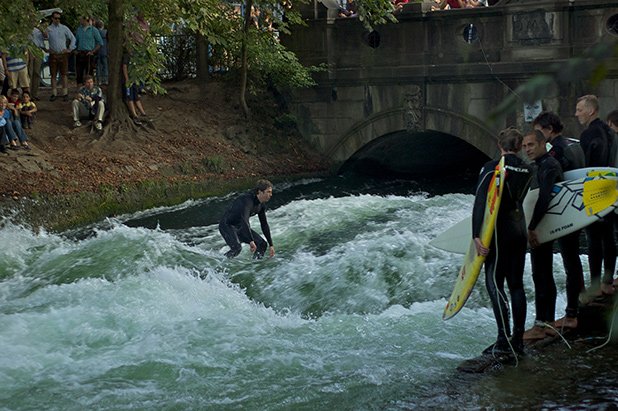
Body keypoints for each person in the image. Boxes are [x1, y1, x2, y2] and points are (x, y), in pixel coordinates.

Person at [473, 128, 532, 355]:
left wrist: (475, 235)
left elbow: (480, 201)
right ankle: (518, 338)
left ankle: (503, 337)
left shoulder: (492, 168)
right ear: (519, 147)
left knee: (494, 281)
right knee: (516, 284)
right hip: (519, 228)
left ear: (500, 146)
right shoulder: (528, 169)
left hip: (498, 231)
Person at [532, 112, 585, 330]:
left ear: (549, 129)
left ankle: (558, 317)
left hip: (559, 213)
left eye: (539, 132)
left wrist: (532, 224)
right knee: (572, 261)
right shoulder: (574, 144)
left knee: (557, 265)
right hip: (576, 209)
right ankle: (574, 311)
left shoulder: (556, 152)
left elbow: (551, 185)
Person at [521, 130, 564, 340]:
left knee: (541, 274)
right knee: (543, 273)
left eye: (531, 145)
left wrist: (531, 227)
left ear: (542, 143)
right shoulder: (538, 165)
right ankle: (548, 321)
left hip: (543, 227)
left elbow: (545, 198)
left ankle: (541, 325)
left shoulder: (549, 165)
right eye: (524, 146)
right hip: (542, 225)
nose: (527, 149)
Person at [576, 95, 616, 297]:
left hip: (594, 189)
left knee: (593, 239)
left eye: (579, 110)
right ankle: (607, 282)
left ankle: (594, 284)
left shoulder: (589, 134)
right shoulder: (609, 131)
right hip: (610, 186)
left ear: (591, 111)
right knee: (608, 236)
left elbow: (587, 166)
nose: (576, 114)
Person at [219, 179, 276, 259]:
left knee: (262, 244)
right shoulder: (247, 200)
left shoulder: (261, 205)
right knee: (237, 248)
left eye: (271, 192)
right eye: (268, 192)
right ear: (260, 192)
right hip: (227, 225)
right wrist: (251, 240)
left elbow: (264, 224)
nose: (271, 195)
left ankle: (256, 265)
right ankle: (220, 261)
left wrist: (271, 245)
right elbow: (244, 220)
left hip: (240, 226)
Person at [46, 11, 76, 102]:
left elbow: (72, 38)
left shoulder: (64, 28)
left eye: (59, 18)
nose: (57, 20)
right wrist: (45, 48)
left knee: (64, 74)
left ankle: (65, 93)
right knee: (53, 75)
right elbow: (40, 38)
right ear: (52, 18)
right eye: (55, 18)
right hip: (53, 54)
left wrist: (69, 49)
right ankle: (54, 93)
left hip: (63, 54)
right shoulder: (48, 29)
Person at [121, 51, 148, 125]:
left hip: (134, 80)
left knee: (136, 97)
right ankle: (135, 116)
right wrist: (127, 79)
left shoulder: (137, 55)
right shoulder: (127, 55)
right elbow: (124, 66)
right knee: (130, 98)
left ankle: (143, 114)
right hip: (128, 81)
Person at [74, 16, 103, 85]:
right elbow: (75, 42)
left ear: (85, 20)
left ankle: (90, 90)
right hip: (80, 53)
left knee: (89, 73)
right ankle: (80, 91)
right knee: (79, 73)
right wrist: (75, 50)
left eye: (81, 19)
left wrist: (93, 51)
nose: (80, 21)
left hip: (89, 54)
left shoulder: (93, 30)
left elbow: (100, 42)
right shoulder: (79, 30)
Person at [95, 20, 108, 85]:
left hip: (97, 51)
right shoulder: (106, 32)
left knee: (98, 66)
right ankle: (105, 80)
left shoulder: (95, 32)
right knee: (105, 66)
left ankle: (99, 80)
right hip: (105, 51)